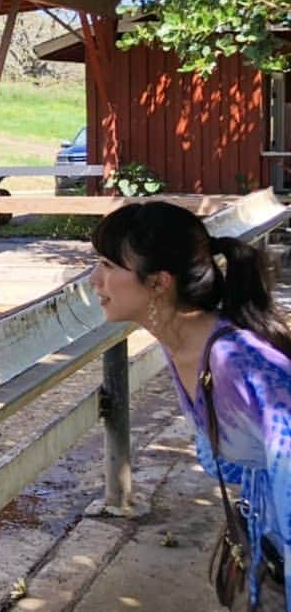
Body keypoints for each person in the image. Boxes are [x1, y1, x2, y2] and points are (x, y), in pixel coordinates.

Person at [90, 201, 291, 611]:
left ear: (159, 283)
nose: (95, 280)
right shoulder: (180, 341)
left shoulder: (238, 361)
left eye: (109, 266)